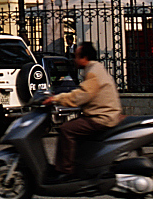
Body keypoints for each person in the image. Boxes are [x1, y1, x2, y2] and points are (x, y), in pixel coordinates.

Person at [42, 41, 123, 177]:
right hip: (102, 114)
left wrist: (57, 99)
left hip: (101, 117)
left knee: (66, 129)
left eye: (76, 56)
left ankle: (65, 171)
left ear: (84, 58)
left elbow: (81, 96)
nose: (74, 59)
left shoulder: (92, 73)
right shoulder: (95, 68)